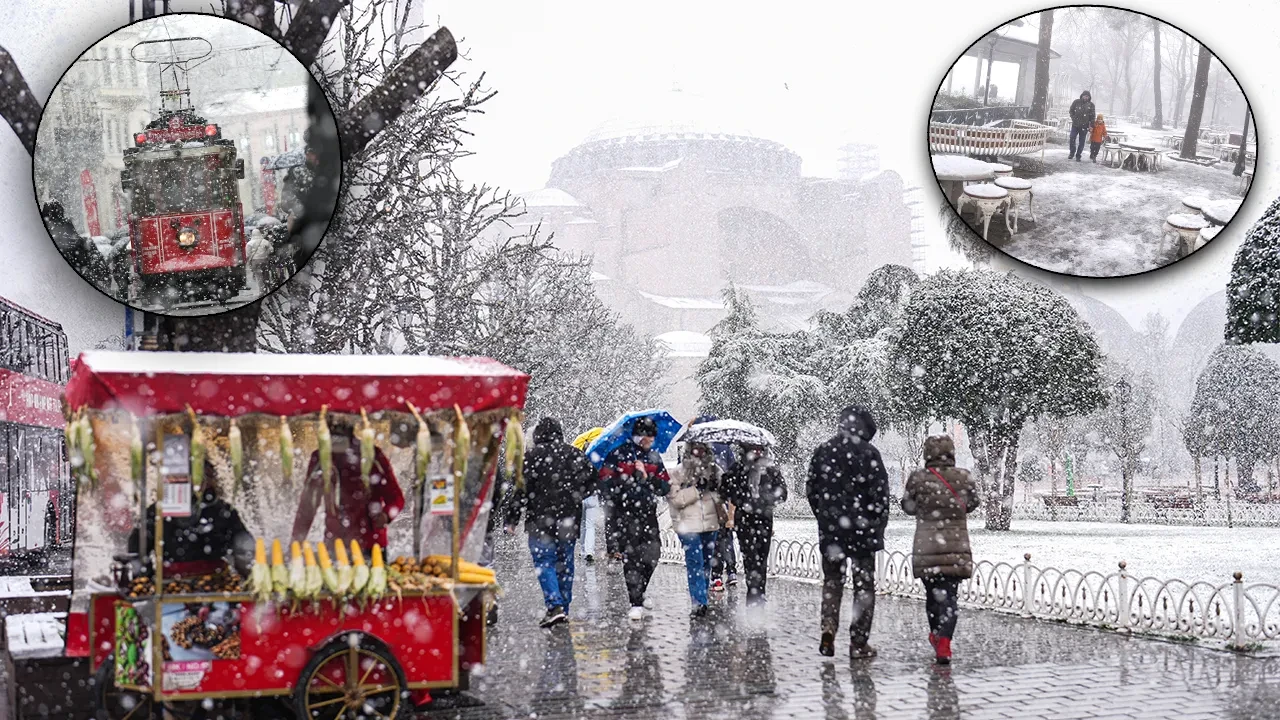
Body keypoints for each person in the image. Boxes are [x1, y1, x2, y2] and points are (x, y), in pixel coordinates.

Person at [807, 405, 889, 660]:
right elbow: (881, 496)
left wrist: (825, 517)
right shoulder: (870, 453)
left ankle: (828, 629)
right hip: (863, 533)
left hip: (833, 532)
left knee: (833, 582)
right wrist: (875, 525)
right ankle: (858, 642)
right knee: (863, 588)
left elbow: (812, 490)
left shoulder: (823, 451)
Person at [505, 417, 596, 628]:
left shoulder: (531, 457)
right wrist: (576, 495)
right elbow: (592, 481)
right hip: (569, 520)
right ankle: (563, 606)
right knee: (565, 565)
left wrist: (512, 519)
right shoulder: (575, 454)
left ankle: (554, 605)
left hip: (540, 521)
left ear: (538, 435)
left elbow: (521, 490)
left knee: (544, 562)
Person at [901, 434, 979, 665]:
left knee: (933, 596)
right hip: (955, 546)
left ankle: (937, 635)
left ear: (927, 453)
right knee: (950, 597)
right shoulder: (963, 477)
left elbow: (908, 507)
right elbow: (973, 504)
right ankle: (944, 641)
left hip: (927, 547)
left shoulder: (918, 478)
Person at [291, 416, 405, 553]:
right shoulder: (321, 458)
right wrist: (296, 543)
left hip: (370, 545)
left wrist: (386, 515)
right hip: (336, 544)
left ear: (352, 426)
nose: (336, 428)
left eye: (341, 424)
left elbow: (396, 497)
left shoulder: (372, 455)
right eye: (332, 424)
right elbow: (308, 505)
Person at [127, 458, 254, 578]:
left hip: (216, 583)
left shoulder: (224, 511)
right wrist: (146, 578)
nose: (208, 482)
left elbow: (242, 547)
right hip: (169, 585)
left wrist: (248, 574)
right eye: (203, 477)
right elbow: (137, 547)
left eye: (210, 477)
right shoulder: (157, 511)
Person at [599, 417, 670, 621]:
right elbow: (604, 483)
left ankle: (641, 589)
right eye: (648, 436)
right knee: (631, 558)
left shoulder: (655, 458)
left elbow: (665, 487)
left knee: (654, 553)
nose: (651, 440)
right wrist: (627, 481)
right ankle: (635, 601)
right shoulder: (618, 455)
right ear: (640, 436)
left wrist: (648, 478)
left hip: (648, 512)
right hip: (625, 514)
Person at [721, 443, 787, 606]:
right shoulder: (737, 469)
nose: (757, 452)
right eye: (753, 449)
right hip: (744, 519)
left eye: (759, 449)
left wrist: (765, 499)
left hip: (764, 518)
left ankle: (759, 592)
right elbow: (724, 490)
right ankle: (753, 592)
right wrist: (741, 498)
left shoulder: (770, 469)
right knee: (750, 557)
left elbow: (782, 493)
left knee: (762, 557)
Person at [667, 441, 721, 618]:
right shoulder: (677, 472)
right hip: (688, 525)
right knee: (695, 561)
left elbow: (723, 493)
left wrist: (716, 486)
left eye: (703, 449)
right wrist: (697, 490)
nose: (699, 453)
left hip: (710, 523)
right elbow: (676, 499)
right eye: (696, 449)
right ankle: (698, 602)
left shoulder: (714, 470)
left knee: (706, 562)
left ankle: (702, 596)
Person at [687, 414, 737, 591]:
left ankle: (710, 576)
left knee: (707, 540)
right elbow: (732, 476)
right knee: (723, 537)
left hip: (703, 503)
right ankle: (728, 571)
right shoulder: (724, 448)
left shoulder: (692, 451)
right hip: (719, 501)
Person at [572, 427, 605, 563]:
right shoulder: (596, 463)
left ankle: (582, 550)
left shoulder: (575, 462)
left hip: (579, 498)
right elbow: (599, 481)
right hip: (592, 496)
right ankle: (589, 551)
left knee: (582, 525)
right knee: (590, 525)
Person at [1068, 91, 1096, 161]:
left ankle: (1078, 155)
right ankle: (1072, 152)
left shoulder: (1091, 105)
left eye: (1087, 96)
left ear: (1089, 97)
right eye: (1085, 96)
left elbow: (1092, 116)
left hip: (1085, 126)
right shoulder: (1076, 102)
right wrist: (1073, 118)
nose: (1086, 97)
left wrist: (1091, 125)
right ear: (1082, 96)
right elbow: (1071, 110)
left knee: (1082, 142)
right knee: (1072, 137)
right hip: (1075, 125)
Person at [246, 227, 273, 293]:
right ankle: (266, 289)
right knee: (266, 275)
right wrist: (266, 253)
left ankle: (262, 291)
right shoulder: (265, 241)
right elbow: (271, 250)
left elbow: (247, 254)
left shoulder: (249, 243)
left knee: (259, 277)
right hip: (264, 260)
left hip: (255, 261)